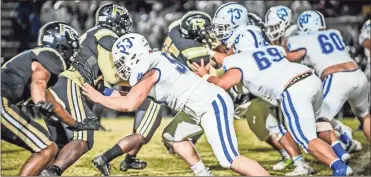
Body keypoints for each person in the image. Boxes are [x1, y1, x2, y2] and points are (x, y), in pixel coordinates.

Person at [82, 33, 270, 176]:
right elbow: (130, 95)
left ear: (133, 56)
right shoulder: (155, 61)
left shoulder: (150, 69)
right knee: (172, 136)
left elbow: (129, 104)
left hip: (210, 104)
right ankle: (203, 173)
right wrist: (103, 92)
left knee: (230, 159)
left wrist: (98, 98)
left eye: (122, 61)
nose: (121, 67)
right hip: (197, 106)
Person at [193, 27, 353, 176]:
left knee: (307, 139)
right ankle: (341, 151)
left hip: (292, 88)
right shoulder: (274, 49)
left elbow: (223, 83)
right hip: (311, 79)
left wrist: (205, 75)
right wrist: (212, 53)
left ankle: (340, 168)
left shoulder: (237, 60)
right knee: (318, 123)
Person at [211, 3, 314, 175]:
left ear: (235, 24)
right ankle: (287, 154)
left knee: (275, 124)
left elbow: (243, 61)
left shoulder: (247, 34)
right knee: (257, 123)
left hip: (266, 84)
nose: (220, 31)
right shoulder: (241, 34)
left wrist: (212, 54)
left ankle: (301, 161)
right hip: (257, 85)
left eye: (223, 27)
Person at [39, 4, 138, 176]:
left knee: (60, 143)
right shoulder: (106, 34)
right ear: (116, 22)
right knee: (84, 136)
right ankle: (52, 173)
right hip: (69, 82)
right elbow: (112, 76)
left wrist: (133, 95)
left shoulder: (92, 37)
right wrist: (135, 74)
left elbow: (104, 89)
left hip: (56, 84)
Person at [1, 21, 88, 176]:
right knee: (47, 148)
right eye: (71, 48)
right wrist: (39, 102)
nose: (74, 55)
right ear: (61, 47)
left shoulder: (35, 58)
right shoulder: (49, 55)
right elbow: (38, 81)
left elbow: (54, 104)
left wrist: (77, 124)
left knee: (49, 148)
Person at [286, 10, 370, 144]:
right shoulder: (334, 33)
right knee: (365, 117)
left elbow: (292, 57)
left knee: (317, 119)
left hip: (337, 79)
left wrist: (281, 47)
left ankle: (340, 148)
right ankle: (343, 137)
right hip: (358, 75)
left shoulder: (302, 39)